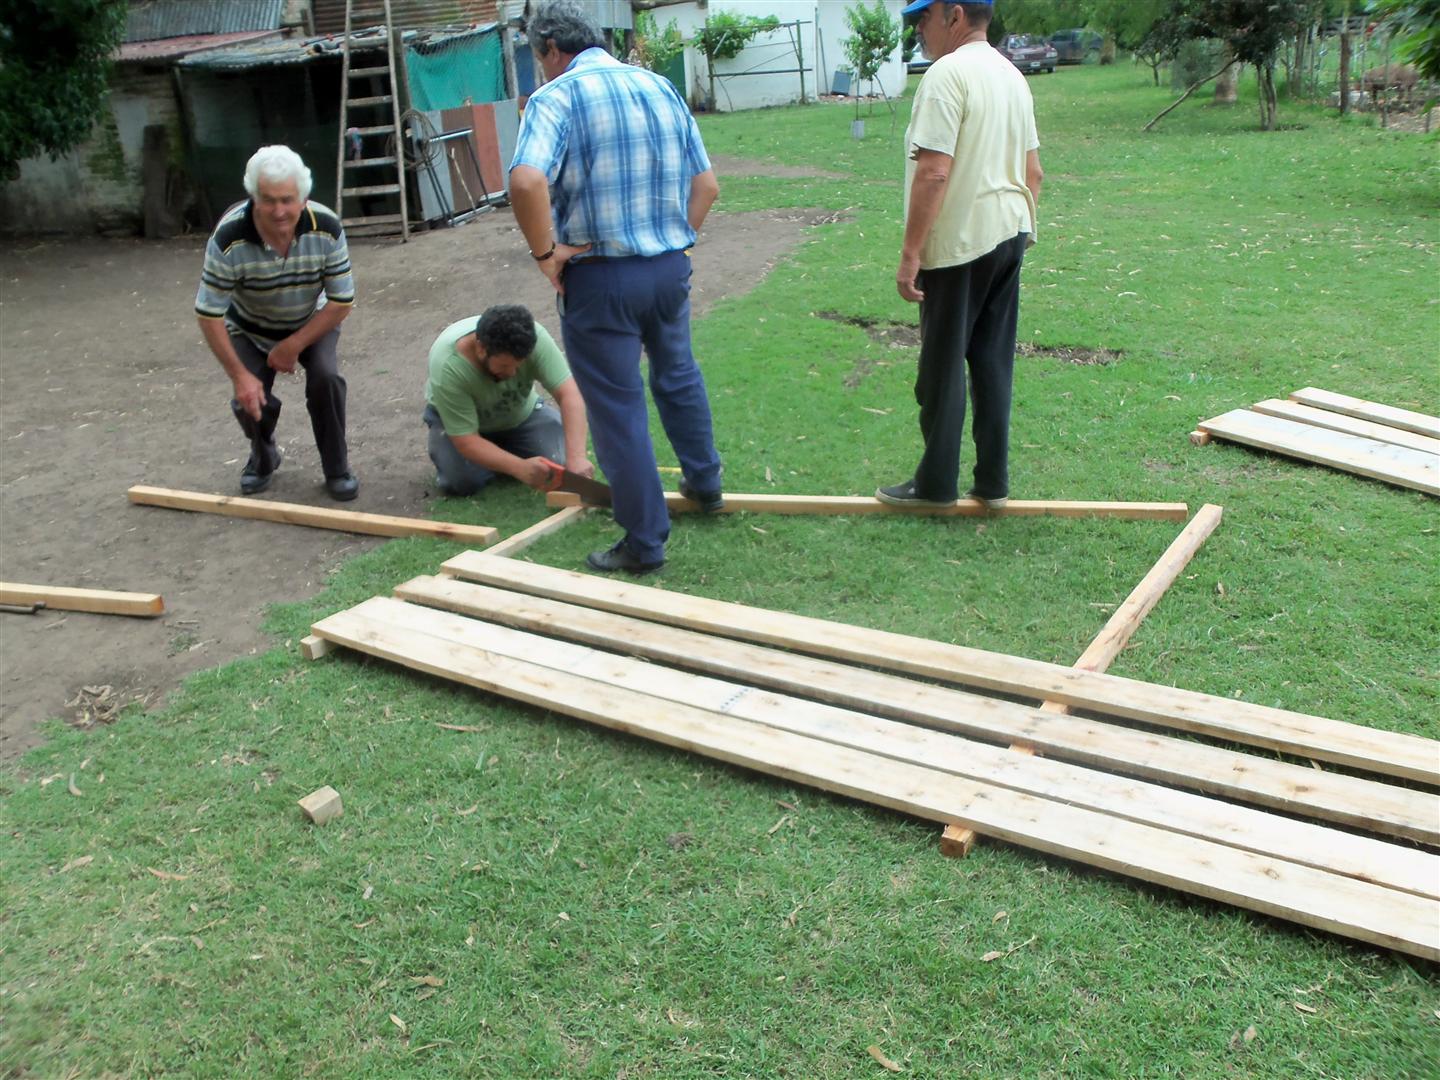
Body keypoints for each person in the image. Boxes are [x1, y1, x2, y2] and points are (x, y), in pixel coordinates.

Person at [508, 0, 724, 575]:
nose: (541, 70)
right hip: (667, 269)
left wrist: (544, 255)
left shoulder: (556, 97)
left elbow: (526, 179)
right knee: (677, 374)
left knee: (617, 407)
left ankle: (644, 542)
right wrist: (675, 242)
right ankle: (706, 484)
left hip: (601, 277)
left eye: (538, 60)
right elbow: (706, 185)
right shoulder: (658, 87)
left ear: (551, 50)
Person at [878, 0, 1043, 511]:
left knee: (942, 368)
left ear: (953, 16)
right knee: (991, 363)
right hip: (1011, 230)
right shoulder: (1012, 75)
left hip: (960, 244)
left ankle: (935, 485)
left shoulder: (947, 74)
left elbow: (934, 171)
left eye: (922, 20)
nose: (919, 31)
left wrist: (911, 254)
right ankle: (992, 481)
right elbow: (1034, 172)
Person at [194, 145, 360, 500]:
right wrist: (241, 376)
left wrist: (293, 345)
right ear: (253, 197)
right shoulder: (227, 238)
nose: (279, 211)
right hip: (250, 325)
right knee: (248, 399)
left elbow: (341, 301)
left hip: (313, 320)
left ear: (303, 197)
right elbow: (208, 313)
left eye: (288, 199)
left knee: (326, 379)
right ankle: (263, 453)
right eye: (268, 200)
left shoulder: (327, 227)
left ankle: (337, 468)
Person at [424, 304, 591, 494]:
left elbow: (569, 394)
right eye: (504, 366)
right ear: (481, 348)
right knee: (461, 482)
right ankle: (501, 457)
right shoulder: (448, 365)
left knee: (556, 464)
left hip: (520, 415)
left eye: (518, 366)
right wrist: (519, 468)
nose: (511, 373)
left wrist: (577, 457)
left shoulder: (535, 338)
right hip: (464, 427)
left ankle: (499, 455)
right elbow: (466, 440)